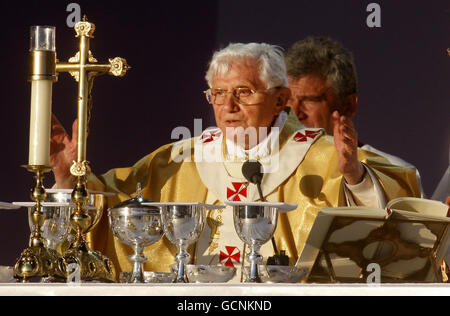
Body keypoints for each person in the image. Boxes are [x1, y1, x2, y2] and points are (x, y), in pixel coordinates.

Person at [51, 43, 420, 281]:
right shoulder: (180, 159)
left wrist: (356, 178)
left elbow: (401, 206)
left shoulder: (322, 155)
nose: (228, 106)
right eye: (219, 94)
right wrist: (68, 180)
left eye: (244, 92)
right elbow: (118, 203)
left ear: (281, 100)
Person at [284, 36, 425, 197]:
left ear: (348, 106)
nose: (294, 113)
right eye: (288, 100)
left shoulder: (398, 176)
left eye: (310, 100)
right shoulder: (264, 171)